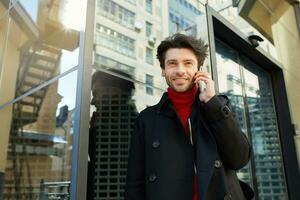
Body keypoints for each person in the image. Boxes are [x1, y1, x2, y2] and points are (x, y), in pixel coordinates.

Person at [125, 33, 254, 200]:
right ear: (163, 70)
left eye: (188, 63)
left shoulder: (218, 107)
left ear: (198, 70)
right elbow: (135, 183)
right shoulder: (147, 119)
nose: (180, 70)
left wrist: (212, 103)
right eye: (172, 63)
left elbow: (240, 159)